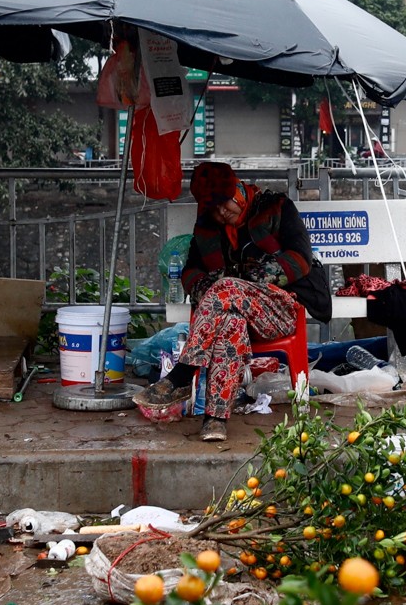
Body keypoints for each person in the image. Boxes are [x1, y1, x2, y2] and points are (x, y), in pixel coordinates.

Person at [140, 162, 330, 441]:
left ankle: (183, 373)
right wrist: (205, 286)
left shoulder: (276, 207)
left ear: (238, 188)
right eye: (212, 208)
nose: (221, 212)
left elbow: (300, 259)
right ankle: (215, 419)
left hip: (279, 310)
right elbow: (191, 272)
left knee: (227, 286)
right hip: (232, 310)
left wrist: (254, 278)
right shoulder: (207, 228)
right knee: (230, 322)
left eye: (224, 202)